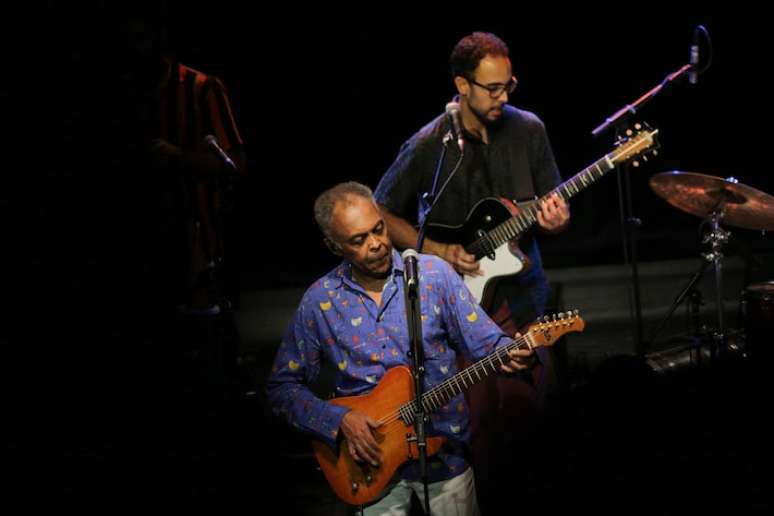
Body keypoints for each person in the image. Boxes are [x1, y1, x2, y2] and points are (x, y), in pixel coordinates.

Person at [373, 32, 570, 512]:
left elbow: (555, 203)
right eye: (491, 88)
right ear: (462, 85)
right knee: (476, 424)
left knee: (529, 415)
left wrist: (558, 220)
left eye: (509, 86)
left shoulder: (530, 131)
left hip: (522, 299)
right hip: (459, 310)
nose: (503, 97)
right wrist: (440, 249)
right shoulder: (430, 145)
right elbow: (381, 211)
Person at [266, 182, 535, 515]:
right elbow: (281, 388)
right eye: (358, 240)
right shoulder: (320, 301)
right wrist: (339, 420)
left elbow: (487, 342)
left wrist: (510, 350)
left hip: (444, 458)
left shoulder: (434, 275)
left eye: (378, 229)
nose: (376, 244)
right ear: (334, 246)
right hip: (367, 467)